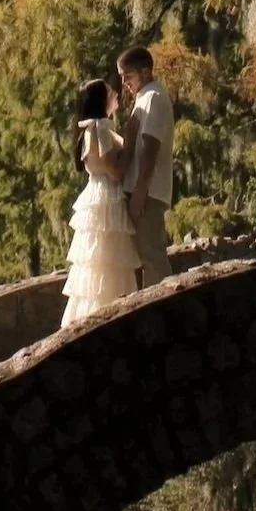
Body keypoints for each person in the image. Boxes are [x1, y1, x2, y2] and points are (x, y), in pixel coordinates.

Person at [61, 77, 140, 325]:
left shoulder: (89, 128)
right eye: (109, 91)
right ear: (101, 99)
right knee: (110, 262)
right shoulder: (101, 127)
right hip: (107, 196)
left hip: (95, 195)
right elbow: (114, 171)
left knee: (96, 265)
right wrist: (132, 141)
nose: (115, 93)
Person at [116, 45, 174, 288]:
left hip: (147, 193)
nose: (125, 83)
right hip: (140, 190)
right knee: (141, 256)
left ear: (146, 71)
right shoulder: (143, 98)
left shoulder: (153, 97)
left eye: (127, 76)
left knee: (151, 256)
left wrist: (140, 191)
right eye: (122, 77)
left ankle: (162, 307)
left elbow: (151, 148)